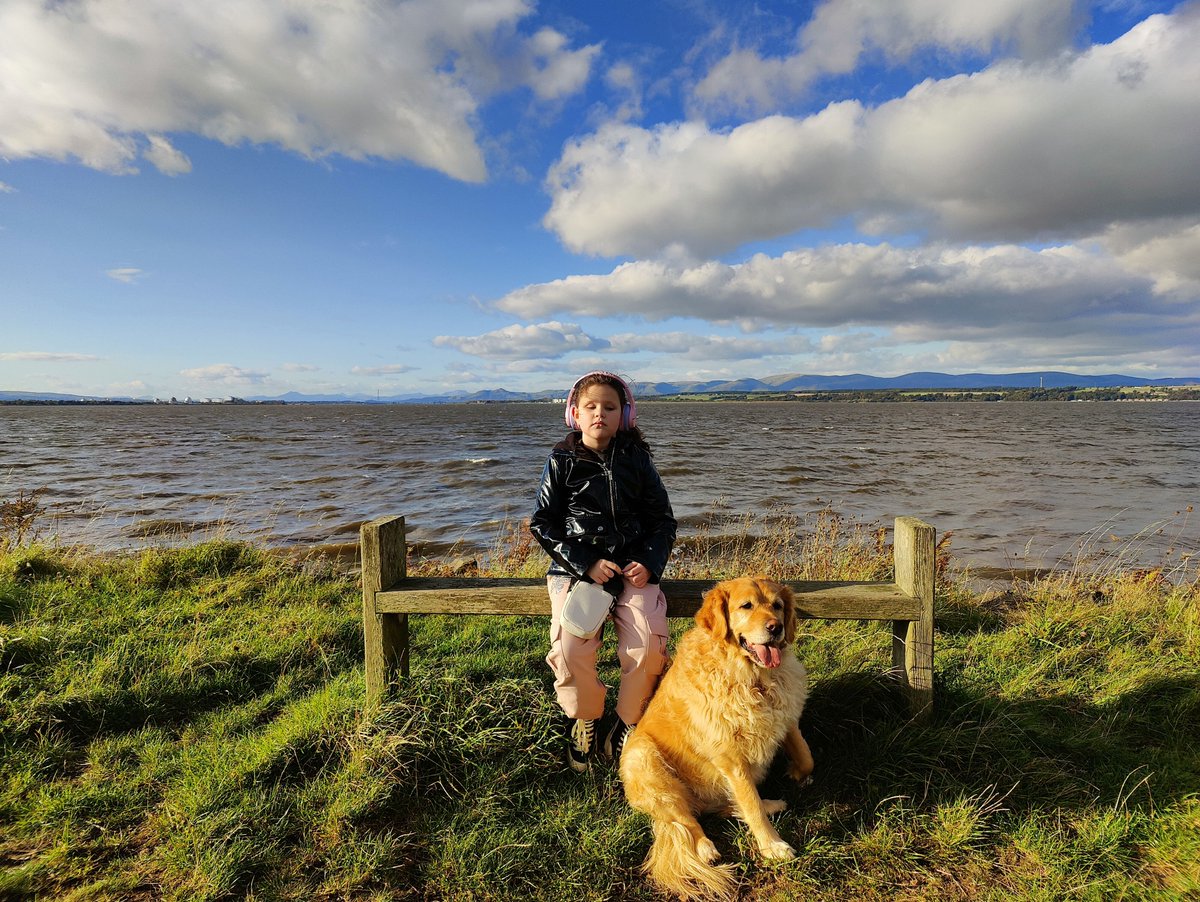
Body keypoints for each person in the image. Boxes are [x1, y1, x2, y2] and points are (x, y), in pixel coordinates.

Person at [529, 371, 677, 772]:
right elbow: (543, 522)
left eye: (609, 407)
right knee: (569, 648)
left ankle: (630, 725)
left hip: (634, 573)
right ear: (574, 414)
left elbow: (662, 520)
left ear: (624, 414)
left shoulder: (637, 461)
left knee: (647, 648)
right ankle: (585, 718)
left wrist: (648, 561)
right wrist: (584, 562)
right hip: (576, 572)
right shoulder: (561, 460)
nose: (600, 414)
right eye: (590, 407)